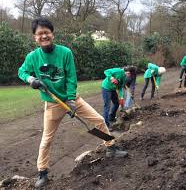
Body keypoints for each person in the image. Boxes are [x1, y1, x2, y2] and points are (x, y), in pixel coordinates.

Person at [18, 17, 128, 189]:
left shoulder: (65, 52)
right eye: (39, 34)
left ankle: (111, 147)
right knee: (47, 139)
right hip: (52, 104)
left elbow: (71, 77)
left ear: (52, 34)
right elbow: (22, 71)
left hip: (72, 99)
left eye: (46, 32)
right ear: (35, 37)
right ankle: (42, 172)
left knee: (99, 120)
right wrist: (31, 79)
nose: (44, 36)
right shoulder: (32, 57)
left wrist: (71, 100)